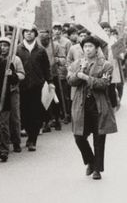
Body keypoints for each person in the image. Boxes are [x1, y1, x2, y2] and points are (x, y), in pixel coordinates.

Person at [67, 36, 117, 180]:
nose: (87, 49)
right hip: (81, 105)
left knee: (99, 137)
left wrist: (87, 78)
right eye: (85, 46)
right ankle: (90, 160)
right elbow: (70, 81)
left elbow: (103, 84)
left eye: (90, 46)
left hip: (99, 105)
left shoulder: (106, 65)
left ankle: (97, 170)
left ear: (96, 49)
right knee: (79, 137)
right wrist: (79, 73)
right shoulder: (77, 64)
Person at [16, 26, 52, 151]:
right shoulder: (17, 49)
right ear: (23, 34)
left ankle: (33, 139)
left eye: (31, 32)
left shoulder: (41, 50)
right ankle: (28, 132)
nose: (29, 34)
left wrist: (50, 82)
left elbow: (46, 68)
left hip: (37, 85)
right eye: (26, 32)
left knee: (36, 113)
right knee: (24, 113)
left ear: (35, 34)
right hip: (22, 85)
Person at [0, 37, 25, 153]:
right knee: (2, 119)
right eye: (1, 45)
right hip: (0, 92)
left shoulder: (15, 59)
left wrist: (12, 75)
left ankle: (16, 142)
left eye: (6, 45)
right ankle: (3, 142)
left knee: (14, 117)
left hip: (12, 91)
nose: (3, 48)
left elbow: (22, 74)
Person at [39, 30, 67, 131]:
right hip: (42, 77)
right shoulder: (38, 47)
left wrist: (58, 60)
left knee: (56, 98)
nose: (44, 41)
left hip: (53, 75)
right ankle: (46, 121)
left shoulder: (56, 46)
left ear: (49, 38)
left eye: (46, 39)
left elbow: (64, 60)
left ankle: (57, 119)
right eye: (42, 39)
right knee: (44, 99)